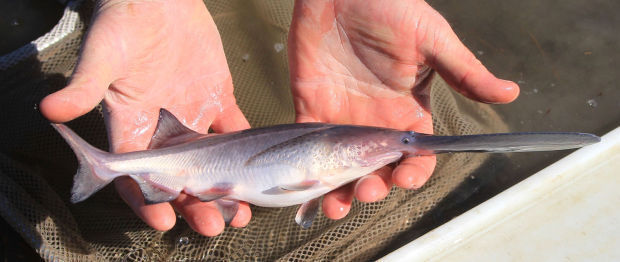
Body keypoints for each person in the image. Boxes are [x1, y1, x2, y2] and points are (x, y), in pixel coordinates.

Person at [40, 0, 519, 237]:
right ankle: (103, 166)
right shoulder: (351, 148)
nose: (403, 143)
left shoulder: (353, 156)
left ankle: (110, 166)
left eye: (406, 141)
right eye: (404, 139)